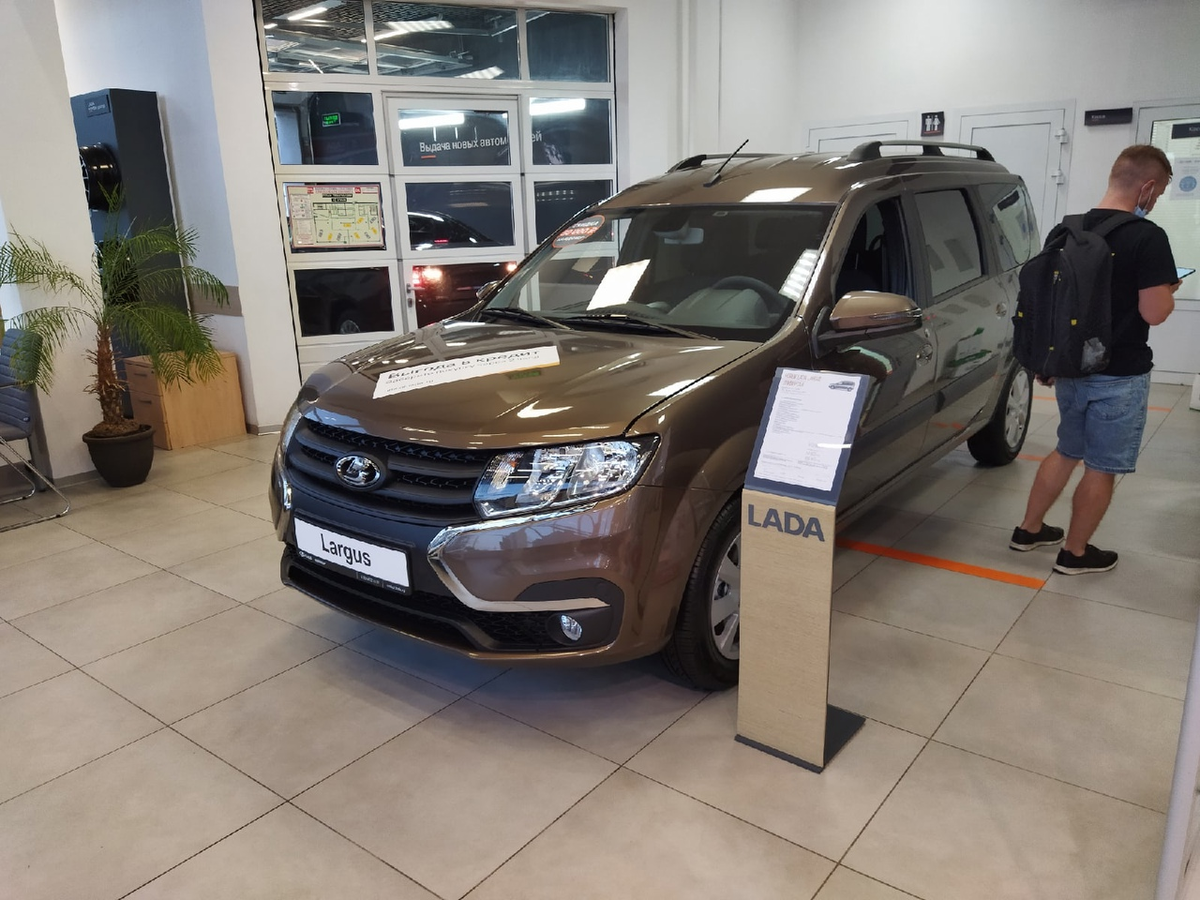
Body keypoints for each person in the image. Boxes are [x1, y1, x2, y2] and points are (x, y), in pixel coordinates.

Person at [1010, 144, 1181, 574]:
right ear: (1147, 187)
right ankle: (1076, 553)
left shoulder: (1066, 230)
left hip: (1070, 367)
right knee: (1101, 467)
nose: (1155, 201)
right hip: (1119, 374)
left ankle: (1029, 530)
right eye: (1159, 192)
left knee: (1067, 449)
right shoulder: (1148, 237)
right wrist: (1169, 289)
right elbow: (1154, 313)